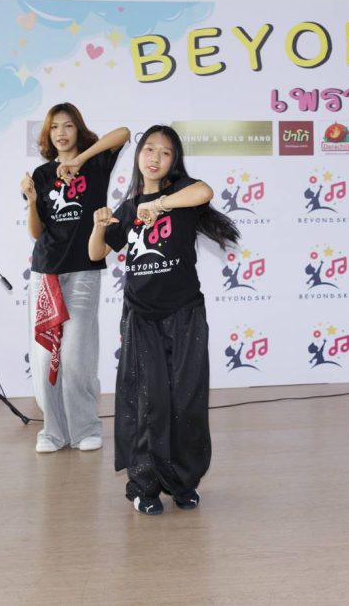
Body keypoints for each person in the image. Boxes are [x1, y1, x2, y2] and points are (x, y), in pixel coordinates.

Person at [89, 125, 239, 515]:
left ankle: (183, 482)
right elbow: (95, 253)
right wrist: (99, 225)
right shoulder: (128, 208)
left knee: (186, 400)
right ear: (138, 155)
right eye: (149, 149)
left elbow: (205, 192)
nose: (155, 157)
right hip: (142, 317)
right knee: (147, 403)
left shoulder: (183, 195)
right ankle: (144, 486)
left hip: (185, 312)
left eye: (165, 152)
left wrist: (162, 205)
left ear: (174, 161)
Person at [20, 102, 129, 454]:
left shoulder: (96, 163)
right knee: (45, 356)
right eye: (54, 127)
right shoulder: (41, 175)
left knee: (76, 354)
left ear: (78, 129)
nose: (61, 133)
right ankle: (53, 432)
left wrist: (80, 159)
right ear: (48, 134)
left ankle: (84, 429)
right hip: (46, 273)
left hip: (83, 269)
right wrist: (32, 201)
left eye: (67, 125)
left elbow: (124, 133)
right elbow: (37, 233)